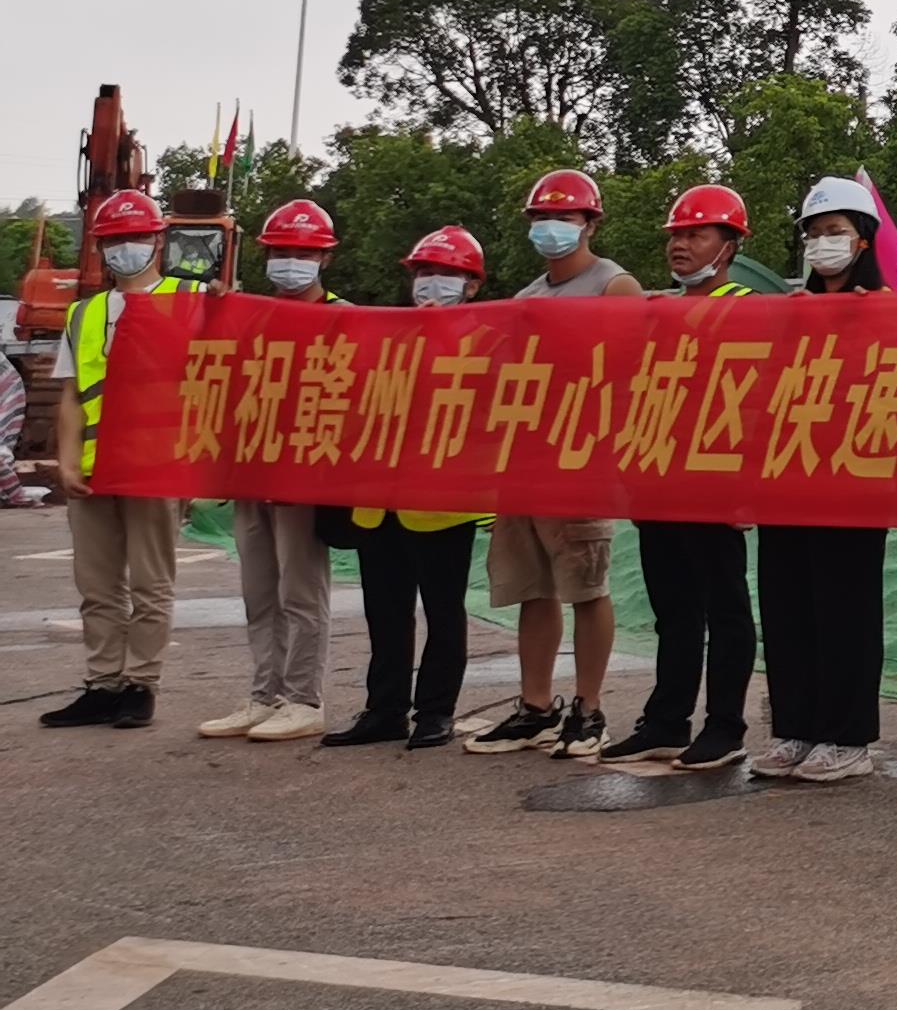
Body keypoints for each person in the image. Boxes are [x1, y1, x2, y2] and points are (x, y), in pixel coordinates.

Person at [465, 168, 638, 761]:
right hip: (526, 462)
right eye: (542, 218)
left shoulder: (615, 287)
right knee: (533, 588)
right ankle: (534, 707)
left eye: (565, 218)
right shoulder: (526, 299)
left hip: (580, 460)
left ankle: (588, 710)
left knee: (586, 587)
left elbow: (629, 378)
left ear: (590, 223)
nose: (552, 228)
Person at [596, 185, 762, 773]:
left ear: (730, 245)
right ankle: (666, 721)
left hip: (715, 480)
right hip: (659, 476)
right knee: (674, 608)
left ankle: (726, 725)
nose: (681, 245)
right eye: (676, 235)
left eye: (696, 235)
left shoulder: (750, 307)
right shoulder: (657, 309)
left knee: (725, 607)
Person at [328, 226, 491, 750]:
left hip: (443, 503)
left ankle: (436, 711)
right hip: (381, 500)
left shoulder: (487, 340)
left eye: (446, 274)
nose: (431, 283)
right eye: (424, 273)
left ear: (471, 286)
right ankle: (385, 709)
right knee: (385, 611)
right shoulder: (385, 333)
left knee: (443, 611)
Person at [39, 188, 193, 731]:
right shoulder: (84, 313)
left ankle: (141, 684)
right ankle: (103, 684)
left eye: (135, 237)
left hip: (156, 465)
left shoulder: (191, 300)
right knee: (98, 585)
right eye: (114, 240)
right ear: (101, 248)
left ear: (158, 240)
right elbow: (70, 396)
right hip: (94, 468)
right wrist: (66, 461)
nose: (125, 247)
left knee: (151, 583)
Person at [751, 177, 888, 783]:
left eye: (835, 232)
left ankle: (849, 736)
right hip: (790, 474)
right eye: (814, 233)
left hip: (853, 478)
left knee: (845, 606)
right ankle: (796, 727)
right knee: (787, 604)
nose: (823, 243)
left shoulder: (884, 308)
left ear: (863, 242)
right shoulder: (791, 312)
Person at [200, 198, 342, 744]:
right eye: (281, 252)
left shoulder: (344, 318)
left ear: (324, 260)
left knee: (302, 595)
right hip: (251, 474)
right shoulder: (249, 313)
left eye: (303, 253)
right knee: (259, 592)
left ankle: (304, 698)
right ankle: (266, 694)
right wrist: (215, 310)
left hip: (303, 478)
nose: (291, 263)